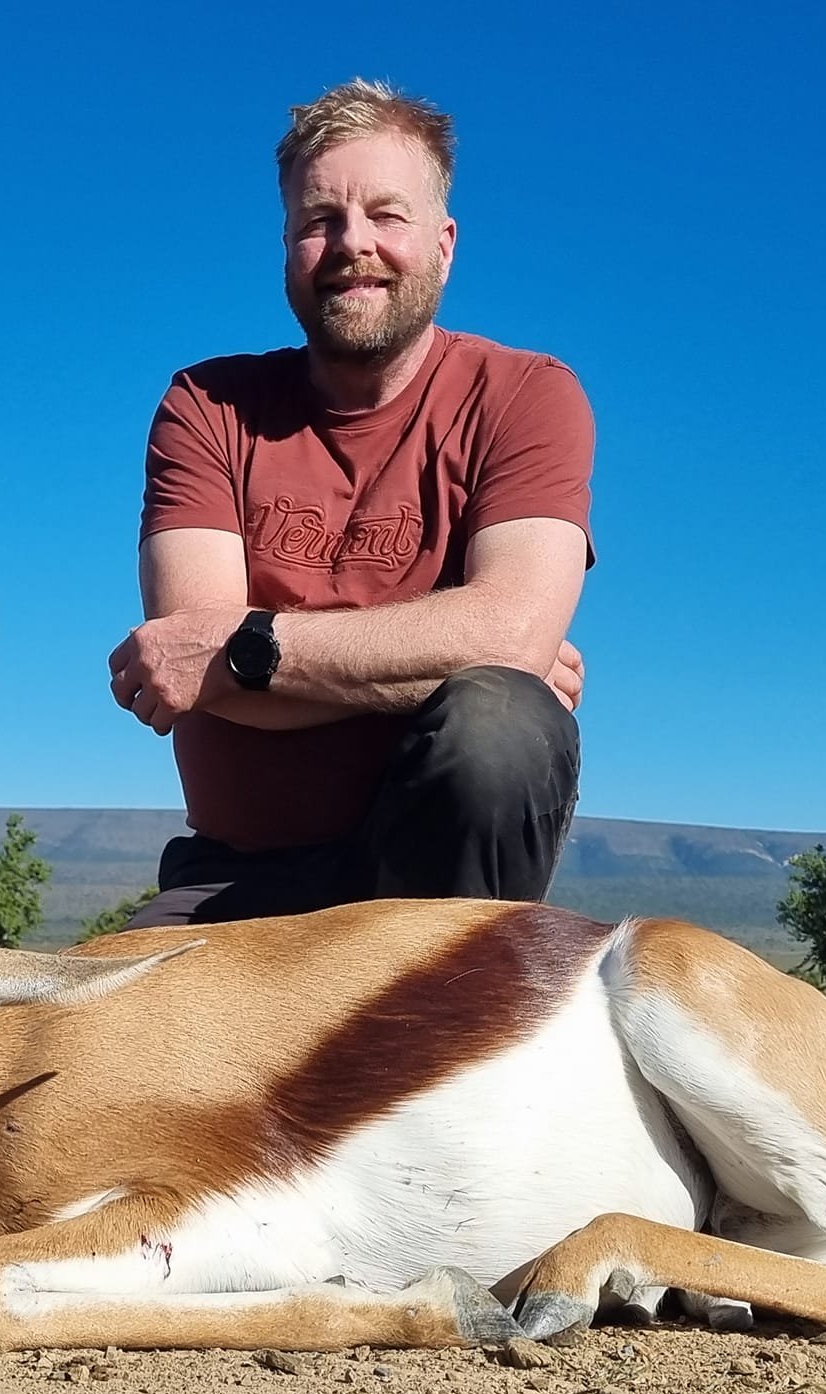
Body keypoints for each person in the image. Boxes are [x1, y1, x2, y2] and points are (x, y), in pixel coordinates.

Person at [107, 79, 594, 929]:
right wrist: (454, 647)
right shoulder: (208, 405)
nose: (351, 244)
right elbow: (196, 673)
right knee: (82, 1055)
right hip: (238, 876)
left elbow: (507, 637)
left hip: (436, 875)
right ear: (288, 243)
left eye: (386, 215)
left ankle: (458, 998)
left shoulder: (528, 396)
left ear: (444, 244)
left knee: (498, 724)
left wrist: (247, 645)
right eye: (319, 220)